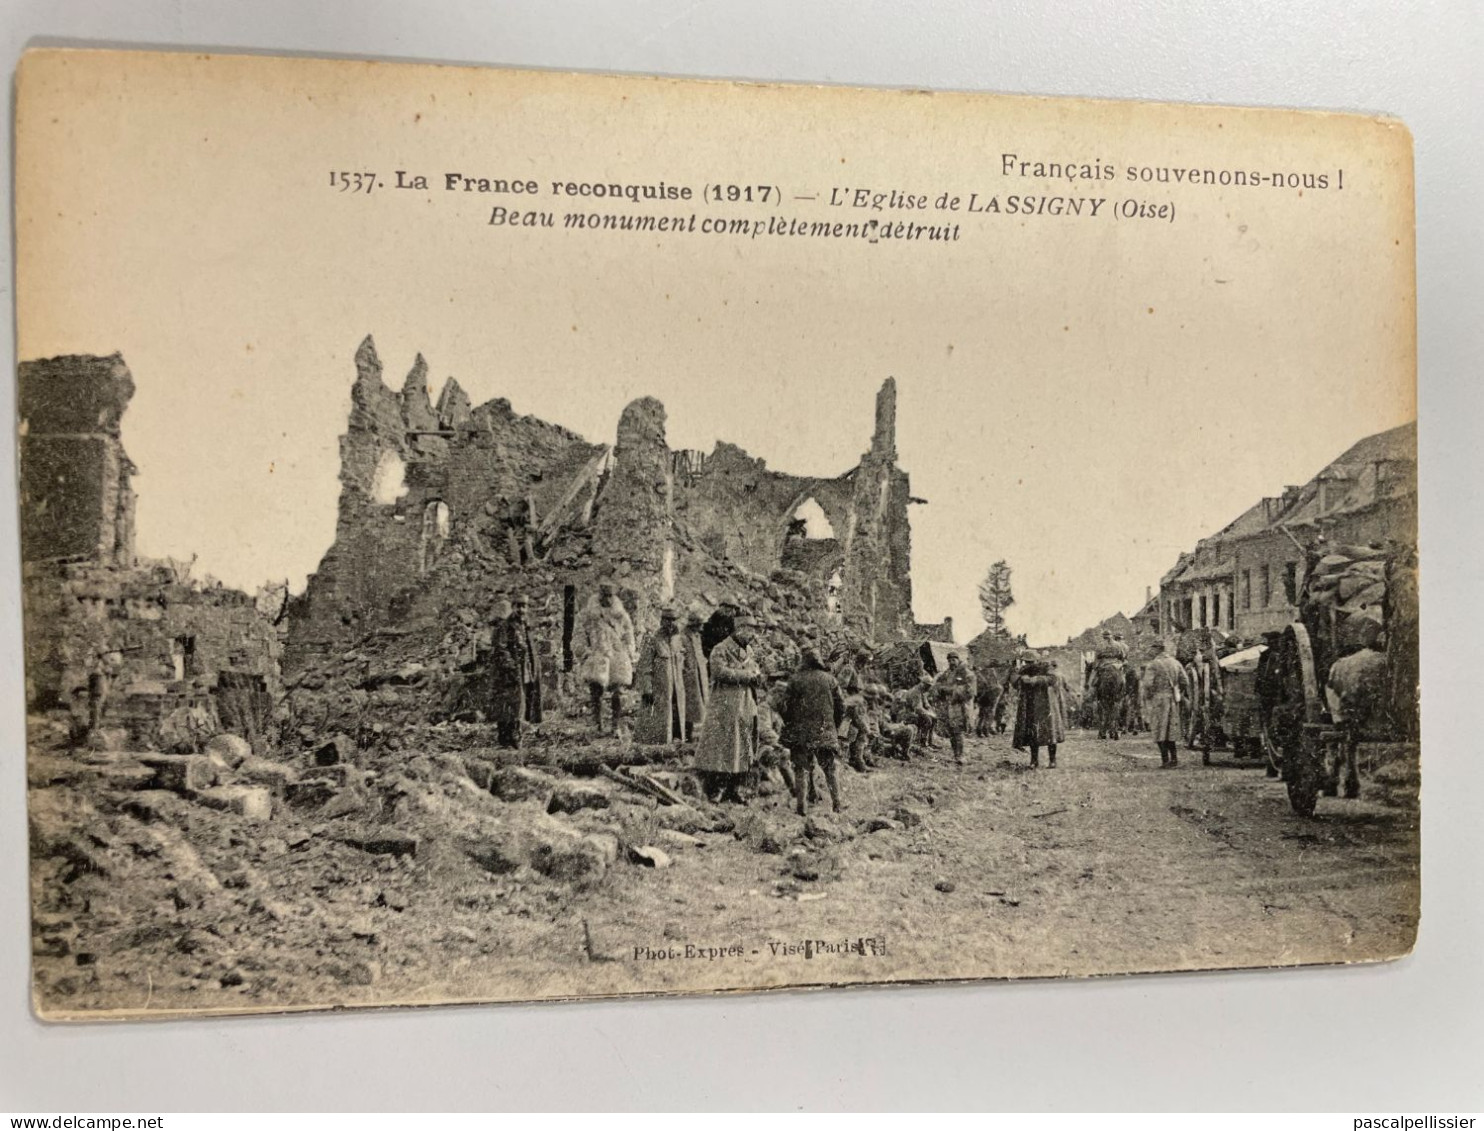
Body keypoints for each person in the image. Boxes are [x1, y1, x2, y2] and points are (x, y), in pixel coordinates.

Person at [694, 610, 763, 804]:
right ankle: (714, 789)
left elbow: (754, 669)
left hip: (744, 704)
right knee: (720, 748)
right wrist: (747, 676)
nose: (753, 635)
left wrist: (757, 676)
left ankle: (733, 789)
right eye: (750, 631)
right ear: (738, 629)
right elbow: (718, 672)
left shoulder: (748, 651)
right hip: (725, 705)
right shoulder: (720, 649)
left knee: (740, 748)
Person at [779, 648, 846, 816]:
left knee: (801, 769)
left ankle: (801, 807)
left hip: (800, 733)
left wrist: (790, 723)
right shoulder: (830, 679)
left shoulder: (795, 680)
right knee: (829, 769)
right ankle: (837, 804)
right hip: (825, 730)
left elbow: (784, 706)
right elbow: (841, 706)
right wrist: (833, 726)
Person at [574, 580, 636, 736]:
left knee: (618, 692)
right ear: (599, 595)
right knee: (596, 691)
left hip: (617, 656)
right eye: (605, 596)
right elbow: (579, 635)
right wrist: (585, 653)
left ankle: (615, 725)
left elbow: (629, 634)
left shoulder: (621, 615)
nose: (608, 599)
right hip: (597, 655)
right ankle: (597, 724)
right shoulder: (588, 614)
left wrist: (628, 651)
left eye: (611, 596)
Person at [635, 603, 687, 745]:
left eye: (673, 620)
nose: (670, 623)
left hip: (677, 688)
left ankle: (676, 743)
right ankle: (658, 747)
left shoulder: (678, 640)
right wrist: (647, 689)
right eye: (667, 619)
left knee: (676, 716)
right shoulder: (652, 640)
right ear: (661, 620)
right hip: (659, 689)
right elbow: (644, 667)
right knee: (657, 719)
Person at [488, 597, 532, 748]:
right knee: (510, 705)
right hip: (507, 673)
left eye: (524, 606)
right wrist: (511, 667)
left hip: (520, 670)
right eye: (518, 606)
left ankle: (512, 738)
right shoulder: (505, 626)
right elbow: (500, 648)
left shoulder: (523, 625)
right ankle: (509, 739)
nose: (521, 610)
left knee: (518, 704)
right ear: (513, 607)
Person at [1142, 639, 1189, 767]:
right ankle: (1174, 759)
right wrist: (1177, 692)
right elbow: (1185, 681)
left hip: (1158, 700)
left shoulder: (1153, 665)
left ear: (1157, 649)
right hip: (1173, 700)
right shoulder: (1176, 663)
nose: (1151, 651)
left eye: (1152, 648)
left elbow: (1147, 684)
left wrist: (1148, 697)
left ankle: (1165, 760)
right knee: (1171, 729)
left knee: (1159, 729)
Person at [1011, 655, 1065, 767]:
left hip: (1047, 704)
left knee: (1051, 731)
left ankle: (1052, 760)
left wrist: (1035, 680)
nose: (1028, 663)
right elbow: (1014, 682)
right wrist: (1021, 679)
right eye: (1026, 661)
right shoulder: (1023, 669)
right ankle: (1034, 761)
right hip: (1030, 704)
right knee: (1032, 732)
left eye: (1031, 661)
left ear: (1037, 660)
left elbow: (1054, 679)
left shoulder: (1047, 667)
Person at [933, 652, 978, 764]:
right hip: (949, 706)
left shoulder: (967, 673)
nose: (951, 662)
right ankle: (955, 755)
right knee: (951, 731)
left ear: (958, 660)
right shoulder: (948, 673)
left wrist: (952, 690)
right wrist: (940, 689)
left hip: (961, 706)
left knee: (958, 730)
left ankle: (961, 756)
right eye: (949, 660)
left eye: (953, 660)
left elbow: (971, 691)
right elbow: (939, 683)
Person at [678, 604, 710, 741]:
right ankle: (684, 736)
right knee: (687, 707)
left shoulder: (696, 637)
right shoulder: (682, 637)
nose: (702, 628)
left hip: (698, 676)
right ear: (694, 625)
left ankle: (692, 735)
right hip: (688, 678)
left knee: (697, 707)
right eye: (700, 625)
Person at [905, 675, 938, 750]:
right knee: (927, 720)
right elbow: (918, 708)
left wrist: (932, 712)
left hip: (915, 712)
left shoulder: (922, 691)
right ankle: (922, 742)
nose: (929, 688)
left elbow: (926, 704)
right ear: (923, 684)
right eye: (928, 686)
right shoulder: (916, 692)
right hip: (908, 714)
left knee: (933, 719)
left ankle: (930, 741)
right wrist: (929, 714)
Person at [974, 664, 1002, 737]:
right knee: (989, 712)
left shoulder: (978, 671)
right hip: (990, 692)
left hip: (983, 693)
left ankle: (980, 729)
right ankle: (985, 729)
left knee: (983, 712)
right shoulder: (991, 671)